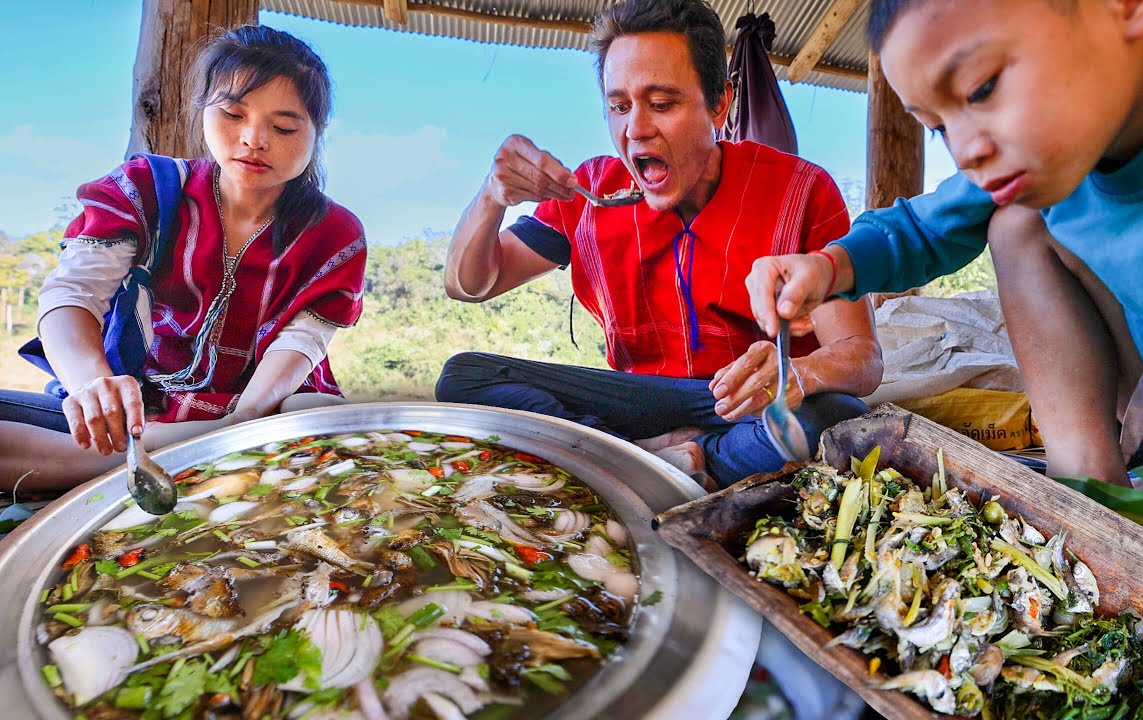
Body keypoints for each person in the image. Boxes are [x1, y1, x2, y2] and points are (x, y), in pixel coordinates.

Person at [745, 0, 1143, 598]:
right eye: (938, 127)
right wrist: (829, 265)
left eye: (982, 88)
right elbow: (927, 226)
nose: (964, 149)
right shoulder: (1037, 147)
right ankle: (1086, 483)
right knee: (1017, 223)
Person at [436, 0, 883, 489]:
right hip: (641, 401)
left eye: (662, 104)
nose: (635, 129)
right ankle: (650, 458)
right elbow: (471, 284)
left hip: (750, 404)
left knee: (836, 416)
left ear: (719, 103)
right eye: (619, 106)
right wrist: (491, 196)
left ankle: (642, 461)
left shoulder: (800, 190)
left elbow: (861, 356)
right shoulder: (589, 193)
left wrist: (800, 373)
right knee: (465, 378)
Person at [0, 26, 367, 490]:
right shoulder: (147, 188)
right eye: (233, 114)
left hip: (266, 404)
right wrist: (92, 383)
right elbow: (74, 293)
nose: (253, 139)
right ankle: (163, 456)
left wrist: (244, 422)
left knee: (312, 415)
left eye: (284, 127)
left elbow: (302, 342)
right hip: (144, 401)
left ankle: (139, 461)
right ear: (203, 111)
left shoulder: (335, 233)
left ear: (318, 132)